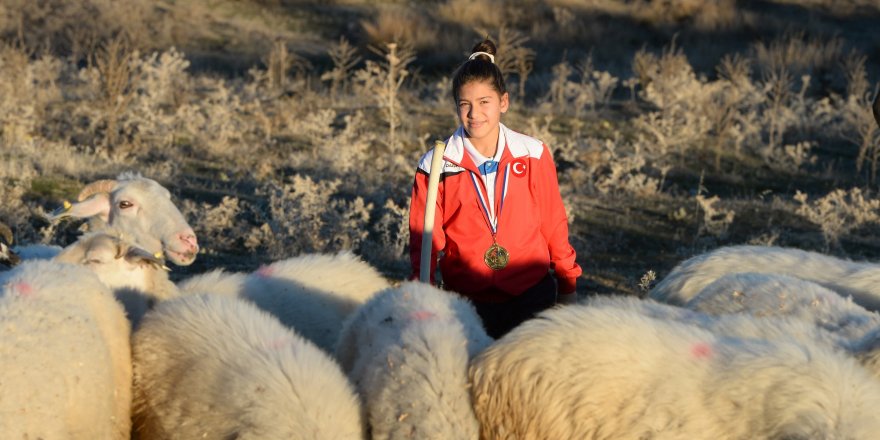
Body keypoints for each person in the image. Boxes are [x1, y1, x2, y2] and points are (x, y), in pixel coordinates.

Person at [408, 38, 583, 339]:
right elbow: (423, 243)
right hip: (466, 304)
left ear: (504, 102)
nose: (474, 114)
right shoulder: (436, 164)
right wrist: (424, 299)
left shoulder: (533, 153)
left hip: (531, 296)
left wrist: (567, 283)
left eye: (484, 102)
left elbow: (553, 223)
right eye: (465, 105)